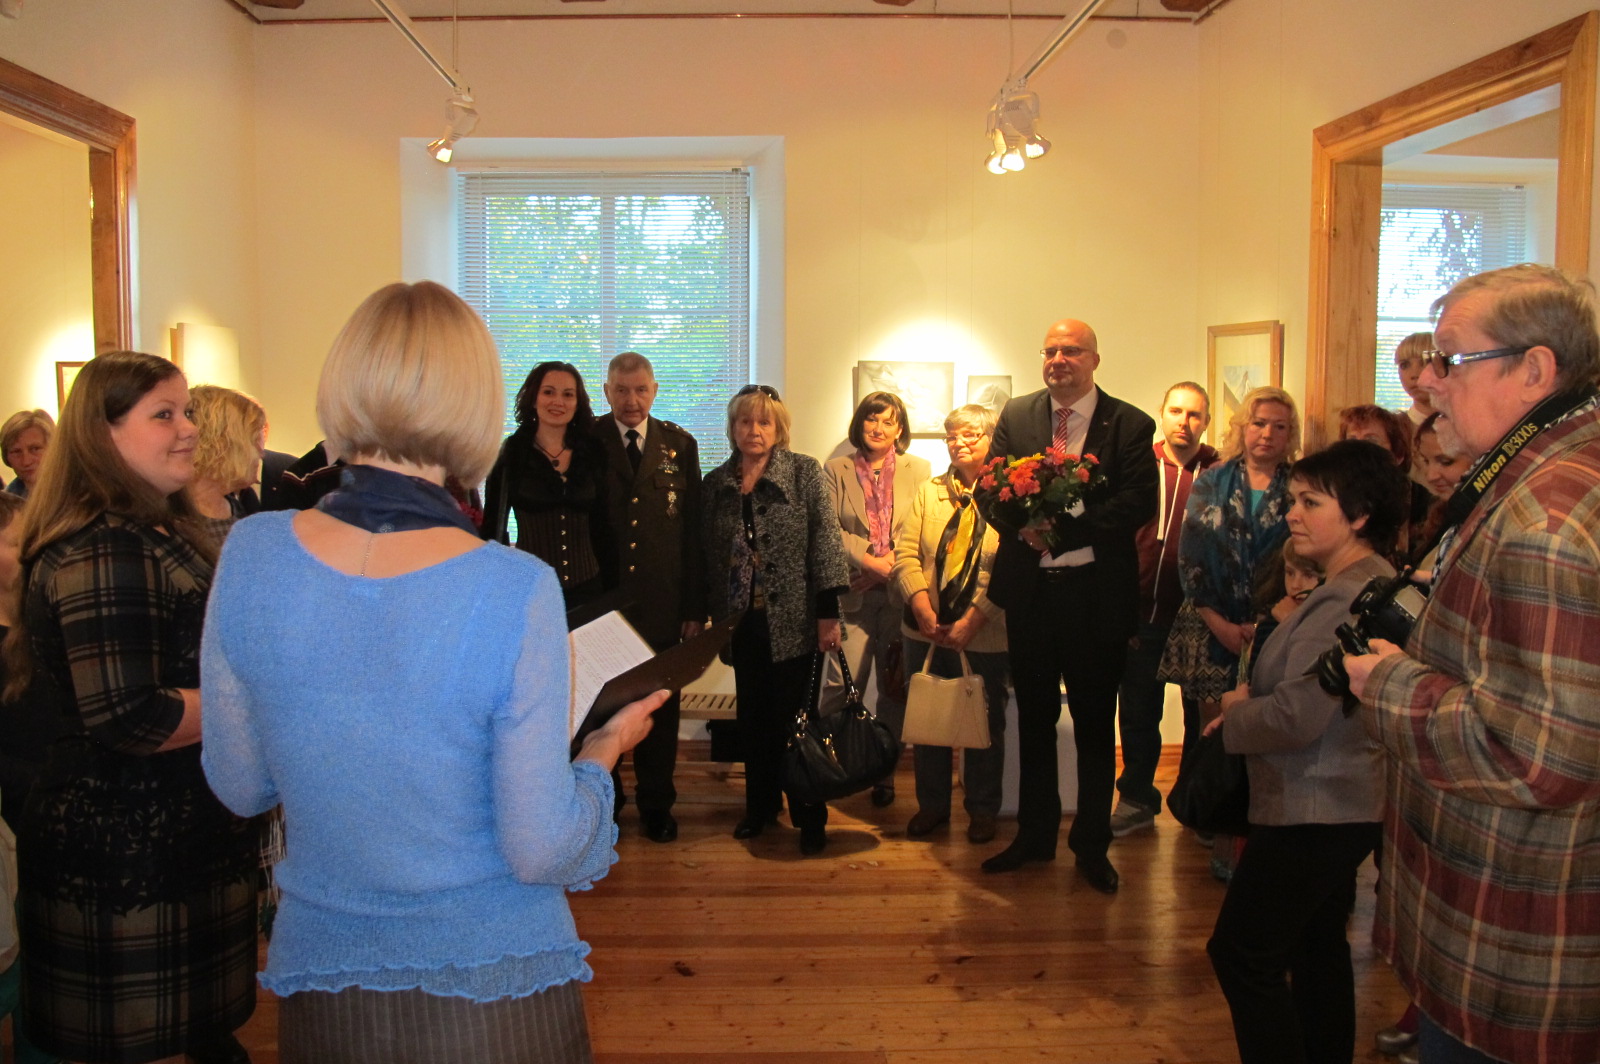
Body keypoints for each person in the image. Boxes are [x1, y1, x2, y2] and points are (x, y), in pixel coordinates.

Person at [200, 281, 666, 1064]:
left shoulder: (252, 552)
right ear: (474, 402)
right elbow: (543, 848)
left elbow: (241, 784)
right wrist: (602, 751)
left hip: (327, 980)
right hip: (490, 982)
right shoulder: (513, 586)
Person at [1346, 264, 1600, 1064]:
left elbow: (1537, 757)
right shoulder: (1556, 471)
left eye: (1452, 361)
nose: (1430, 385)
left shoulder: (1547, 522)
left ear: (1535, 371)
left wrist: (1387, 682)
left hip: (1512, 939)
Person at [2, 352, 258, 1064]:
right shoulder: (105, 544)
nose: (189, 429)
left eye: (188, 412)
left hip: (166, 839)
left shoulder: (149, 529)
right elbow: (131, 716)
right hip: (125, 854)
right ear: (103, 435)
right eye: (164, 415)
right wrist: (261, 698)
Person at [1205, 439, 1407, 1064]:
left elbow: (1299, 715)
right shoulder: (1354, 584)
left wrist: (1236, 710)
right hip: (1333, 800)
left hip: (1317, 804)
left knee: (1242, 955)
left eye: (1311, 502)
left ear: (1360, 514)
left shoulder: (1349, 595)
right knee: (1316, 947)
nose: (1292, 513)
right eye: (1294, 499)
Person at [980, 318, 1158, 893]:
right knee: (1033, 721)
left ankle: (1091, 845)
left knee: (1093, 727)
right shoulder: (1018, 415)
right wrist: (1021, 529)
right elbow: (989, 490)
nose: (1059, 359)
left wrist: (1056, 532)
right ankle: (1034, 837)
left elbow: (1137, 502)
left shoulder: (1130, 423)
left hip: (1094, 598)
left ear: (1095, 360)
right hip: (1031, 597)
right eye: (1051, 350)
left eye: (1072, 351)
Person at [703, 385, 849, 856]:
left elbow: (826, 543)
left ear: (779, 428)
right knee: (754, 722)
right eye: (745, 421)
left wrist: (828, 615)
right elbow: (707, 554)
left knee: (798, 723)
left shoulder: (804, 472)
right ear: (733, 428)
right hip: (743, 625)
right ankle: (760, 807)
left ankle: (809, 816)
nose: (754, 430)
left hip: (797, 623)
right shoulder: (716, 483)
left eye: (764, 422)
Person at [597, 351, 705, 843]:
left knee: (660, 711)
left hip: (663, 606)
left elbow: (693, 534)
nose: (631, 400)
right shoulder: (588, 441)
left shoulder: (679, 445)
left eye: (640, 389)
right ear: (607, 392)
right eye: (621, 390)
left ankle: (657, 806)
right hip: (605, 608)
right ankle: (607, 804)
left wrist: (694, 609)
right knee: (602, 714)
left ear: (654, 390)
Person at [891, 404, 1007, 844]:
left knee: (985, 724)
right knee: (930, 720)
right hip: (925, 631)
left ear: (992, 439)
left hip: (985, 632)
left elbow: (1008, 568)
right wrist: (922, 609)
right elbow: (905, 555)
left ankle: (982, 809)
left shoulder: (1009, 493)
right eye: (952, 436)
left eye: (970, 435)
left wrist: (974, 620)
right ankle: (933, 807)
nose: (959, 443)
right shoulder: (930, 492)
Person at [1111, 380, 1219, 838]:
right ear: (1162, 413)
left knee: (1201, 720)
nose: (1184, 422)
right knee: (1139, 714)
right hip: (1143, 616)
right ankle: (1137, 799)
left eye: (1194, 414)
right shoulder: (1139, 464)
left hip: (1200, 620)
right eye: (1176, 411)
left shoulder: (1219, 472)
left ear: (1206, 422)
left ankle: (1196, 806)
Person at [823, 391, 931, 808]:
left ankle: (885, 773)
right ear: (860, 423)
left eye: (888, 421)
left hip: (898, 597)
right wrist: (869, 561)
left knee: (894, 689)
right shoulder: (836, 469)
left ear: (899, 428)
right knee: (840, 686)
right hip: (853, 595)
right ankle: (834, 767)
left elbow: (921, 526)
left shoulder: (919, 469)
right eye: (872, 419)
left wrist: (889, 567)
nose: (879, 428)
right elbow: (828, 528)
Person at [1167, 387, 1299, 723]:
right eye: (1259, 423)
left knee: (1262, 727)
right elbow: (1191, 558)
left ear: (1290, 434)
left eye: (1279, 426)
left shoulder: (1301, 488)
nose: (1268, 434)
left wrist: (1262, 623)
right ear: (1242, 427)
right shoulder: (1212, 481)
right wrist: (1220, 625)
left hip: (1277, 627)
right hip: (1211, 624)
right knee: (1207, 732)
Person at [483, 361, 617, 607]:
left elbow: (604, 527)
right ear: (533, 399)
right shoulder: (512, 453)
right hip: (529, 591)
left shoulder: (593, 451)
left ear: (578, 403)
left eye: (568, 394)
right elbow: (494, 527)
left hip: (589, 590)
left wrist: (612, 593)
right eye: (548, 392)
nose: (558, 402)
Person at [1338, 403, 1431, 556]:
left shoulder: (1422, 502)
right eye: (1352, 441)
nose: (1359, 450)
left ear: (1398, 454)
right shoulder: (1333, 497)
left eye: (1371, 441)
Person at [185, 385, 268, 551]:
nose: (261, 452)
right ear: (223, 444)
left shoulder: (242, 503)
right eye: (254, 439)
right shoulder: (173, 519)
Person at [2, 410, 53, 499]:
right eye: (16, 451)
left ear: (53, 448)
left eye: (35, 449)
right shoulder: (5, 503)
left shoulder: (76, 494)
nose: (26, 461)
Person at [1392, 331, 1436, 428]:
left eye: (1424, 363)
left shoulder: (1465, 427)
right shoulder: (1391, 429)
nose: (1414, 374)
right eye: (1404, 365)